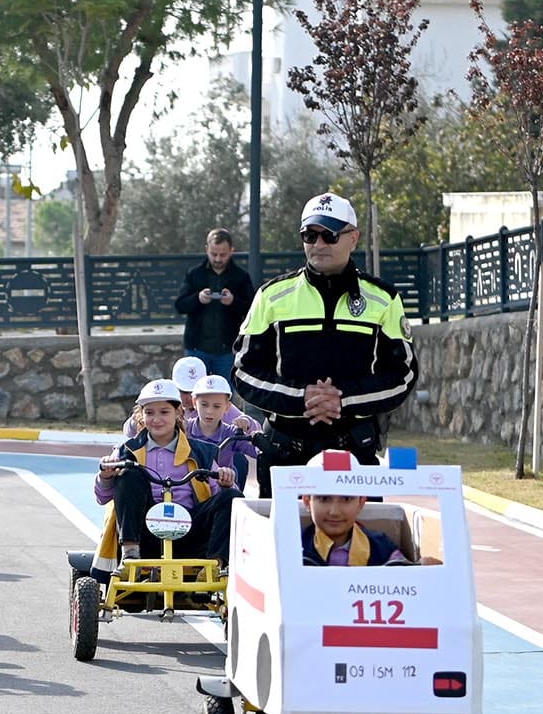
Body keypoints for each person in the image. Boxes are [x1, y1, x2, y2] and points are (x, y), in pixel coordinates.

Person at [234, 193, 416, 498]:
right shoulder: (271, 296)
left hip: (355, 451)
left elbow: (404, 375)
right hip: (284, 452)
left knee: (361, 545)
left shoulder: (384, 299)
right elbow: (243, 372)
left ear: (353, 238)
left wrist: (343, 400)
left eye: (330, 235)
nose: (318, 244)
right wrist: (301, 397)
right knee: (284, 546)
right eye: (310, 235)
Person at [91, 380, 240, 577]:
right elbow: (102, 498)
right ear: (141, 416)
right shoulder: (127, 450)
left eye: (164, 412)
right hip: (144, 534)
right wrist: (105, 475)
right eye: (150, 412)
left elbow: (221, 497)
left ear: (178, 412)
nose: (156, 419)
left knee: (232, 497)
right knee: (129, 474)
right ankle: (131, 556)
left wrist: (226, 482)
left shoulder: (200, 452)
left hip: (189, 531)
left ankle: (214, 565)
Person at [174, 227, 253, 381]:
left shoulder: (241, 277)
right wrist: (198, 299)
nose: (217, 259)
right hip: (197, 347)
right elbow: (180, 305)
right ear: (206, 250)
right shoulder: (194, 274)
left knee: (225, 397)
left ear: (231, 251)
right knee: (193, 396)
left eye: (222, 255)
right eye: (213, 254)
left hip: (227, 350)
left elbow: (253, 309)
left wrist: (233, 301)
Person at [188, 374, 259, 495]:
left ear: (227, 407)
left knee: (233, 495)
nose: (209, 411)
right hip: (190, 489)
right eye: (204, 404)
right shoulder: (185, 429)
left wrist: (248, 424)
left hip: (220, 490)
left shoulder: (231, 433)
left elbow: (257, 450)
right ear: (195, 402)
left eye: (217, 406)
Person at [302, 492, 410, 567]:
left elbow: (407, 577)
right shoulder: (292, 549)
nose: (335, 512)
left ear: (361, 502)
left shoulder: (382, 548)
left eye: (346, 499)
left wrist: (423, 567)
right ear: (307, 502)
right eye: (324, 498)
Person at [125, 356, 207, 439]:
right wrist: (140, 416)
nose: (190, 398)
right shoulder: (164, 401)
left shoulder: (215, 412)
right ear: (175, 386)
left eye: (195, 393)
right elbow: (129, 432)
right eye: (184, 392)